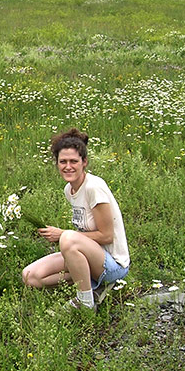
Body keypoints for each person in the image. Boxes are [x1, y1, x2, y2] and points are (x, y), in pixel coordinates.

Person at [21, 128, 129, 310]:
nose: (68, 166)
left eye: (73, 161)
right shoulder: (69, 190)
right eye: (63, 161)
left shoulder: (94, 188)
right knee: (30, 276)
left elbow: (107, 236)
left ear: (84, 162)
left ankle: (85, 302)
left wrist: (62, 234)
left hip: (112, 264)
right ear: (56, 163)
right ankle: (91, 285)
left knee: (68, 238)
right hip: (89, 255)